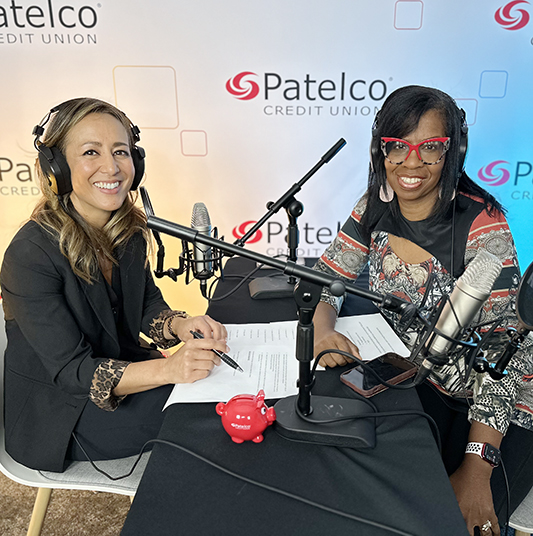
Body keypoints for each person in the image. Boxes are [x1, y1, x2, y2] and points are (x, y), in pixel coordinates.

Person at [312, 85, 533, 536]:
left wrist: (477, 469)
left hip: (503, 404)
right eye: (398, 146)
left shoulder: (482, 226)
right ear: (382, 149)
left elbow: (508, 357)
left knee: (461, 521)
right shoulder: (374, 204)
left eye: (430, 147)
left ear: (454, 151)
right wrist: (321, 328)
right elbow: (326, 279)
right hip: (422, 378)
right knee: (383, 496)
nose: (412, 163)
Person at [0, 98, 228, 472]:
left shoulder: (126, 230)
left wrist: (180, 325)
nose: (112, 167)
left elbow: (146, 305)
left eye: (121, 152)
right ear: (56, 167)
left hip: (121, 375)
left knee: (216, 397)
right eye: (91, 152)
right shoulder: (29, 255)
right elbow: (73, 372)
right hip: (63, 414)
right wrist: (169, 371)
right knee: (205, 417)